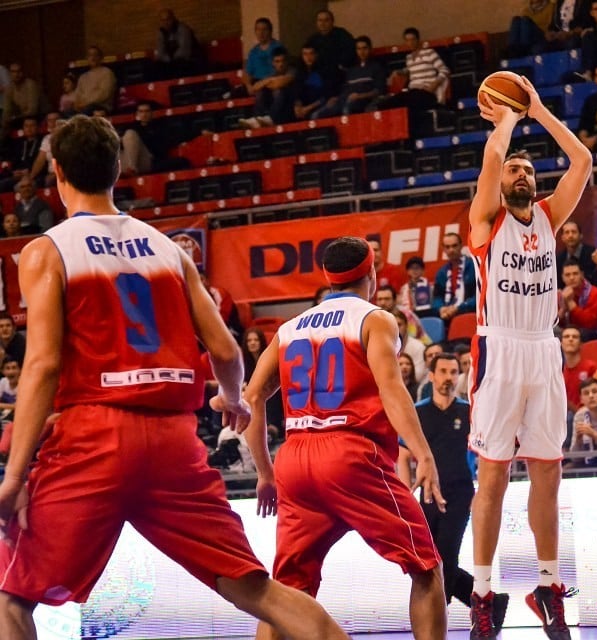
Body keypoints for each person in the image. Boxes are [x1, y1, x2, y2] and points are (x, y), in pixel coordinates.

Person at [0, 115, 347, 640]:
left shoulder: (46, 250)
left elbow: (43, 364)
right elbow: (227, 349)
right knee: (259, 591)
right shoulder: (167, 249)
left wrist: (13, 476)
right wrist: (235, 401)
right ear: (118, 170)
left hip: (93, 436)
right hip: (172, 441)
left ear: (57, 172)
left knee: (13, 598)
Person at [242, 236, 447, 640]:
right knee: (426, 568)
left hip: (294, 458)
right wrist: (423, 453)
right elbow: (391, 388)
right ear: (370, 274)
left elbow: (251, 398)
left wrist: (265, 473)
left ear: (328, 279)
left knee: (285, 593)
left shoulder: (288, 328)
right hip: (350, 453)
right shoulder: (376, 320)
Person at [468, 70, 592, 639]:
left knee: (548, 476)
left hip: (544, 353)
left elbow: (583, 161)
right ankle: (483, 593)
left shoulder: (547, 215)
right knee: (491, 481)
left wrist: (538, 110)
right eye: (516, 168)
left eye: (528, 169)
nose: (522, 172)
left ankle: (548, 588)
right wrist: (507, 122)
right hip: (500, 353)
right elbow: (493, 162)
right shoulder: (485, 223)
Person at [399, 353, 508, 619]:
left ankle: (437, 614)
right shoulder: (418, 412)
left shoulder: (468, 411)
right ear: (432, 376)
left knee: (447, 553)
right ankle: (491, 605)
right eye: (444, 372)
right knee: (427, 560)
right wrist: (404, 494)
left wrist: (483, 490)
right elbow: (402, 453)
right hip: (425, 494)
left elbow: (485, 452)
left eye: (453, 372)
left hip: (459, 493)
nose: (449, 377)